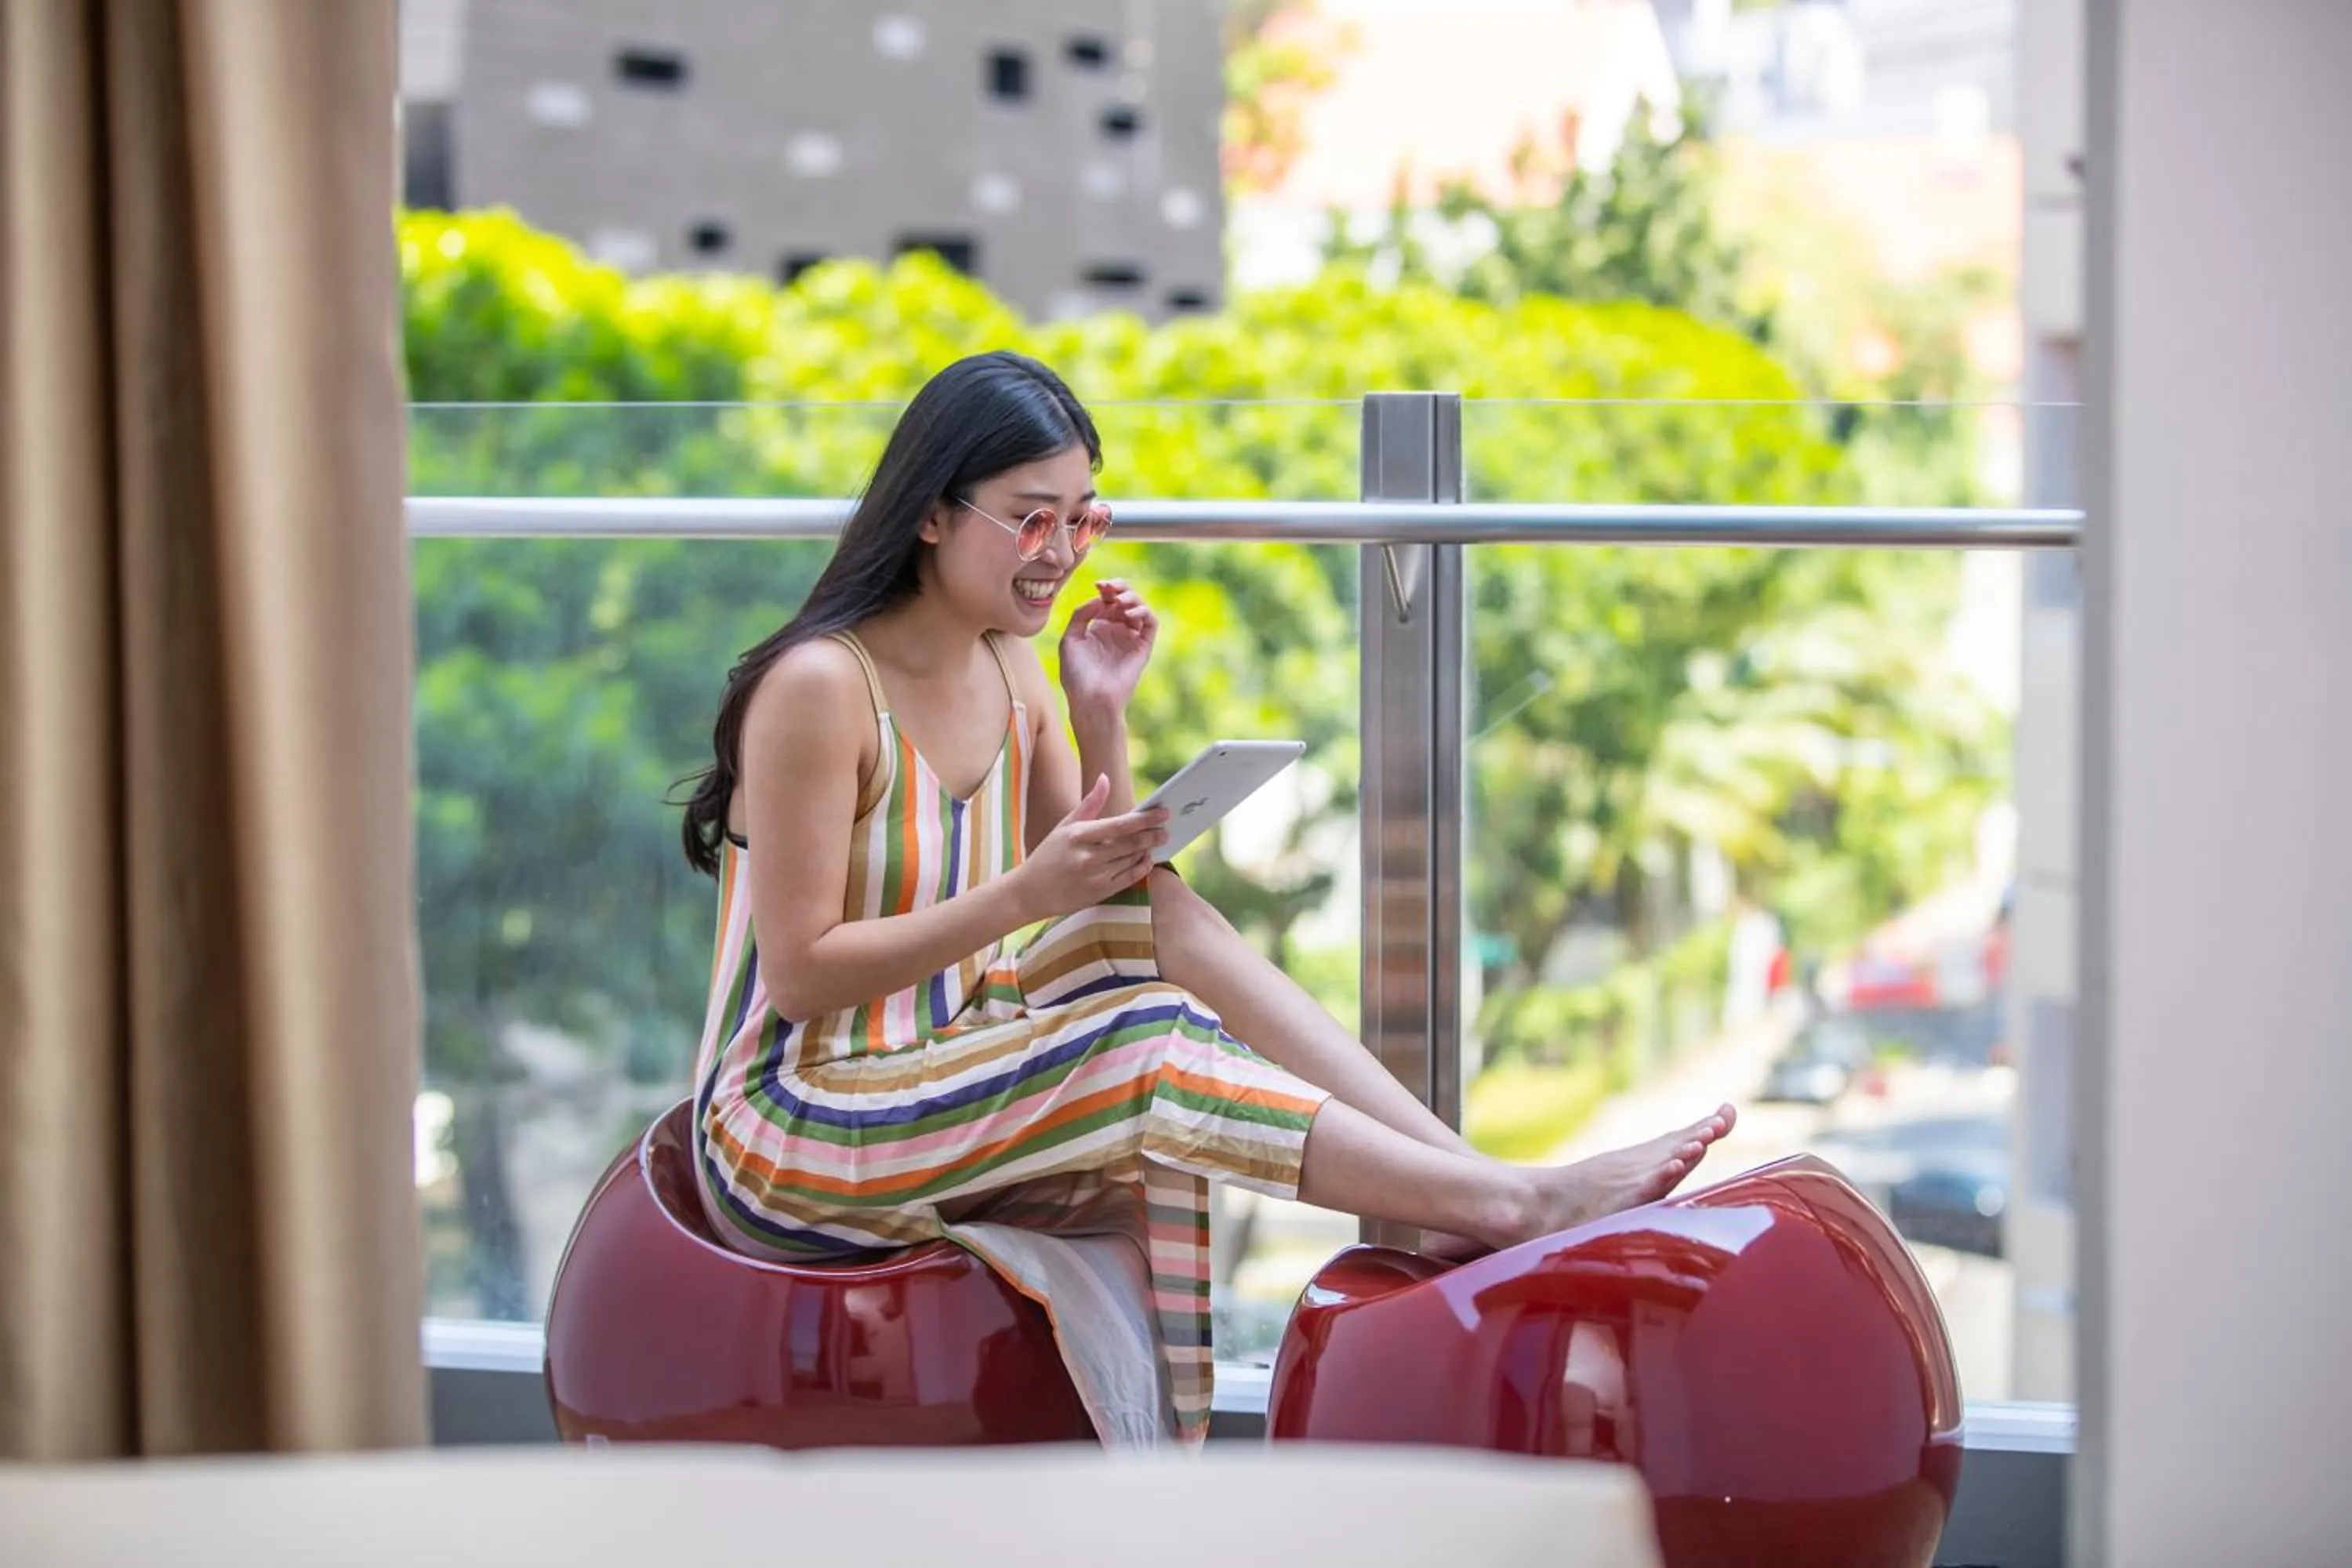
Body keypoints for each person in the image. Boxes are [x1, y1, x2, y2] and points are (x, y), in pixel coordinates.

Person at [675, 350, 1734, 1445]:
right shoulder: (819, 686)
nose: (1062, 555)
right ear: (934, 516)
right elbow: (801, 972)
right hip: (798, 1120)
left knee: (1162, 914)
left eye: (1084, 522)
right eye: (1033, 521)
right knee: (1146, 1041)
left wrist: (1101, 715)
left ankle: (1470, 1181)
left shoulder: (1010, 670)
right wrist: (1025, 894)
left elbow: (1107, 894)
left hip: (941, 1048)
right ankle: (1505, 1208)